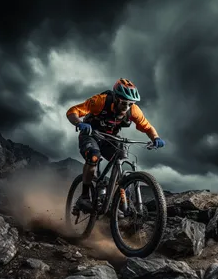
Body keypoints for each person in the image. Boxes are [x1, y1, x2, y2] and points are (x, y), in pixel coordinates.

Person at [66, 78, 165, 212]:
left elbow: (147, 127)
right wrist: (79, 123)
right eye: (124, 103)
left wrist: (156, 138)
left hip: (110, 138)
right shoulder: (100, 101)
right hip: (90, 135)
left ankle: (122, 200)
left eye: (131, 104)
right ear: (116, 98)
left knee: (122, 156)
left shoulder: (134, 110)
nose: (127, 107)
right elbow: (73, 111)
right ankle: (84, 197)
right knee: (93, 157)